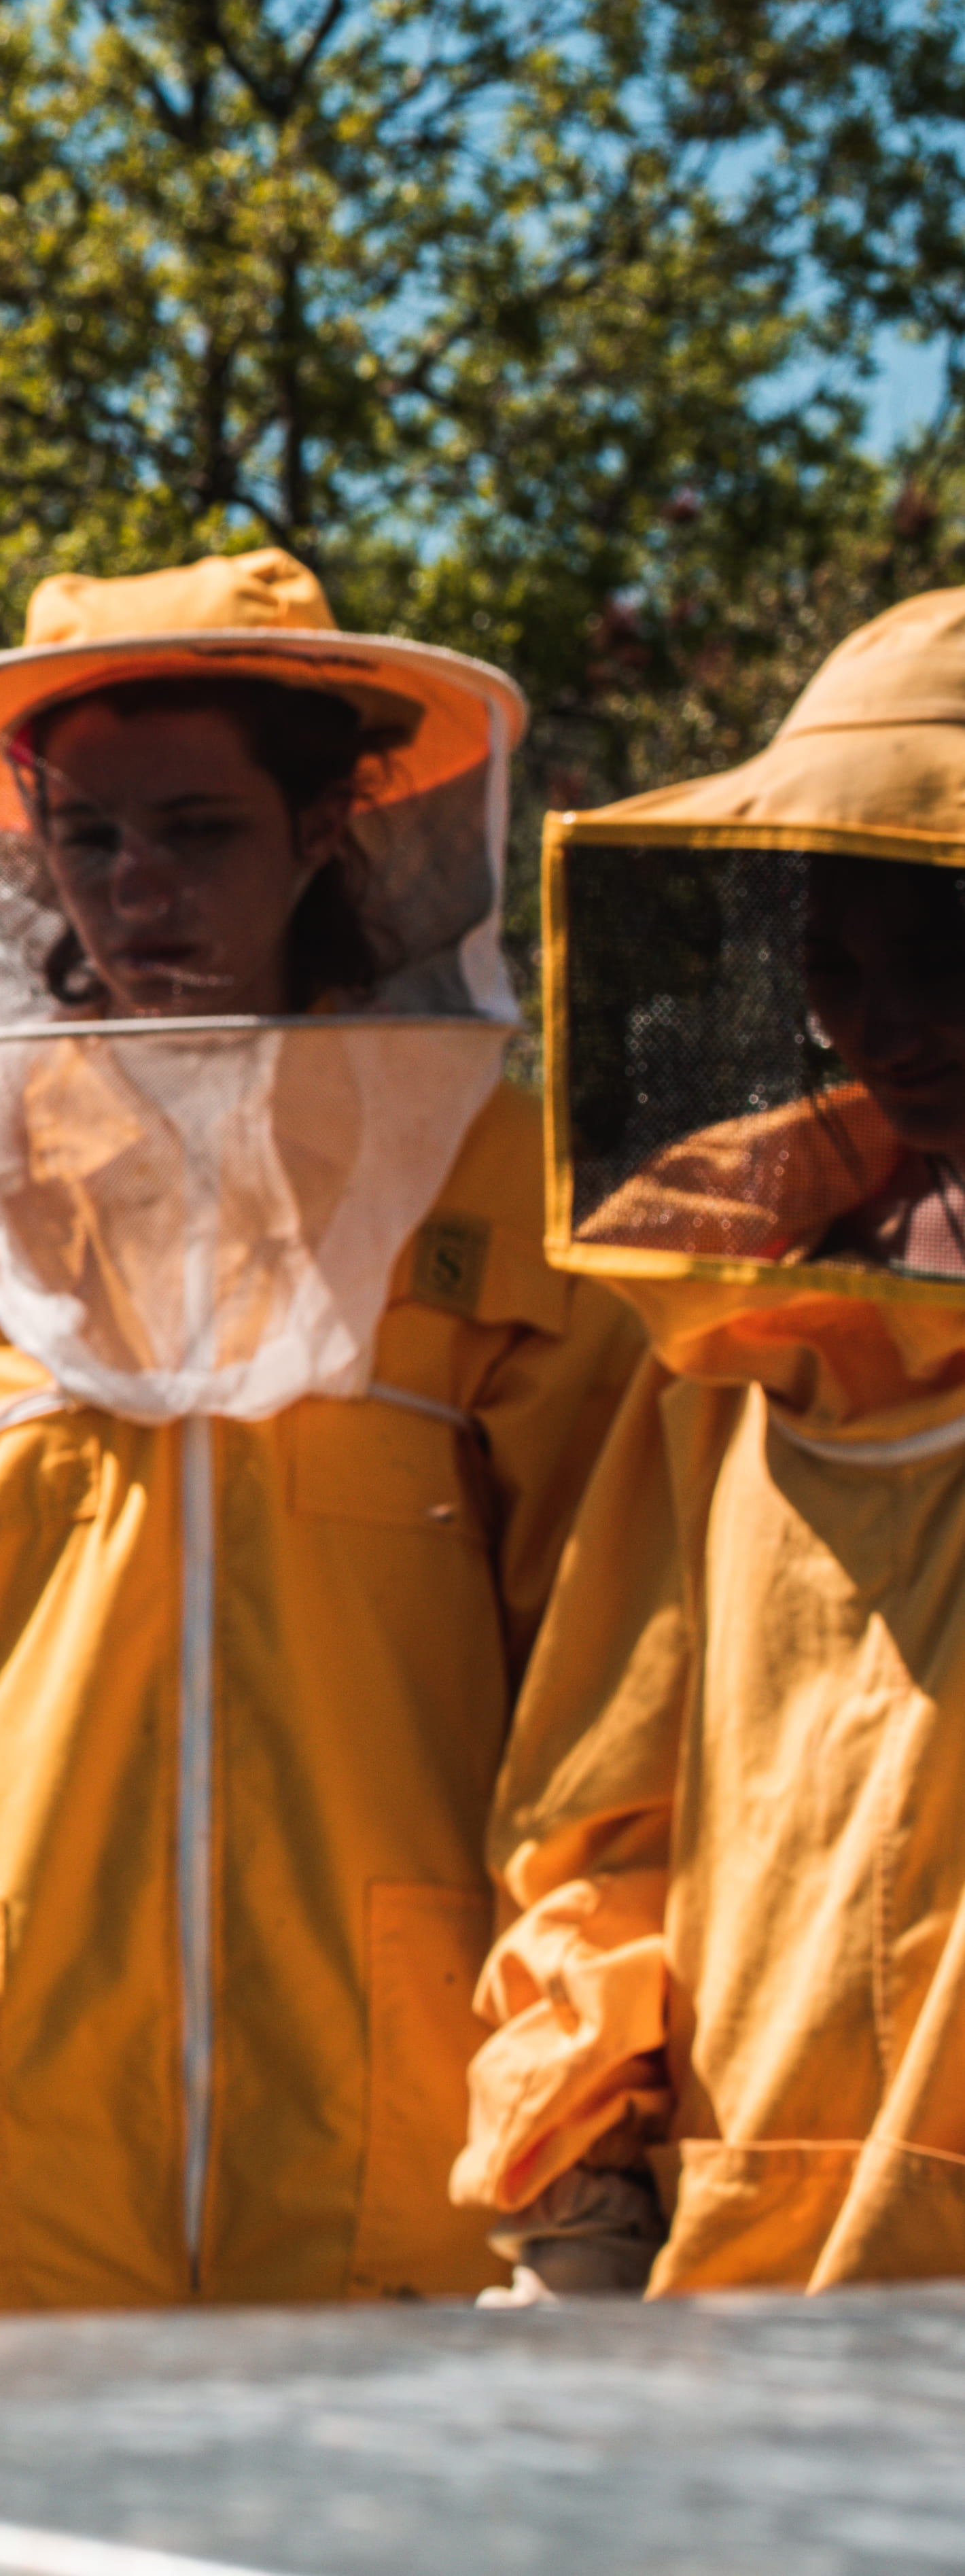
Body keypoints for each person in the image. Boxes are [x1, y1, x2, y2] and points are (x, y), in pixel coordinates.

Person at [0, 550, 644, 2313]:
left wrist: (583, 2089)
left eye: (196, 830)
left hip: (396, 2099)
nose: (135, 888)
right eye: (85, 840)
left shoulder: (485, 1178)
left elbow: (605, 1676)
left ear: (323, 828)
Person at [458, 587, 965, 2298]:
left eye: (942, 950)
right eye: (837, 963)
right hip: (741, 2272)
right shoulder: (729, 1334)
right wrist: (571, 2184)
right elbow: (604, 1801)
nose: (888, 1023)